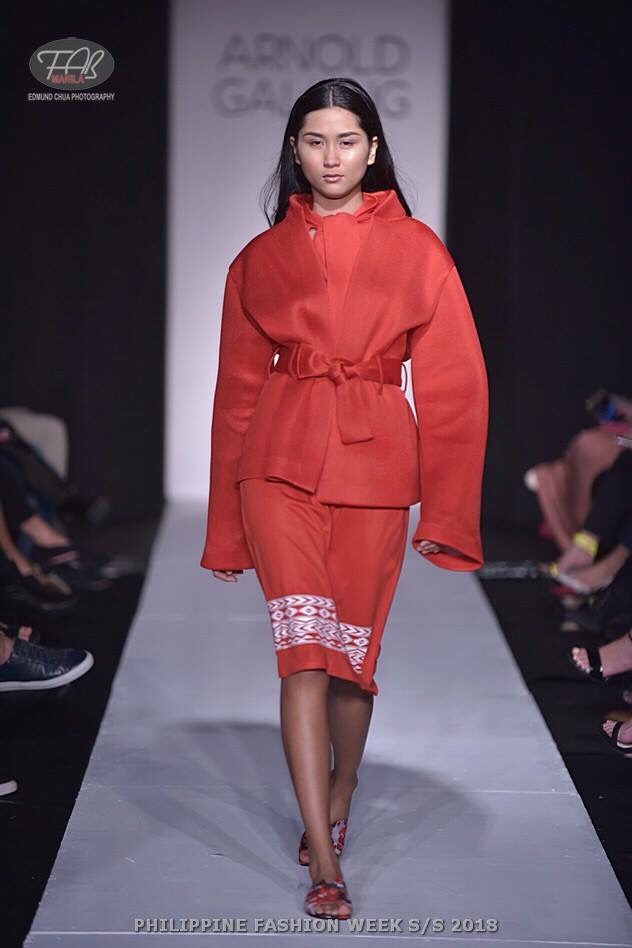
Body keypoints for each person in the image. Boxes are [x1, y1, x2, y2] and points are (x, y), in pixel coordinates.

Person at [200, 77, 489, 918]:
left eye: (347, 140)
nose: (332, 157)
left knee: (352, 667)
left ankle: (344, 782)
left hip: (375, 468)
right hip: (278, 463)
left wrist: (448, 514)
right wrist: (225, 529)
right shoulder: (259, 259)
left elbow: (456, 387)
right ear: (295, 149)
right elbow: (235, 397)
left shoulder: (420, 251)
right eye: (316, 140)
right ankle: (324, 860)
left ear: (372, 148)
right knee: (303, 654)